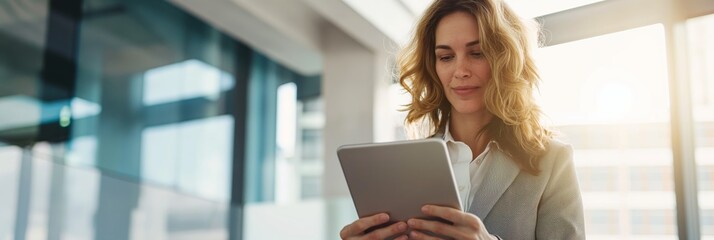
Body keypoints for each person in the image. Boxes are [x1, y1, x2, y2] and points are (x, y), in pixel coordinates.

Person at [339, 0, 585, 239]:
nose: (461, 71)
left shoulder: (552, 162)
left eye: (477, 53)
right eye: (446, 57)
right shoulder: (406, 165)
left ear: (505, 60)